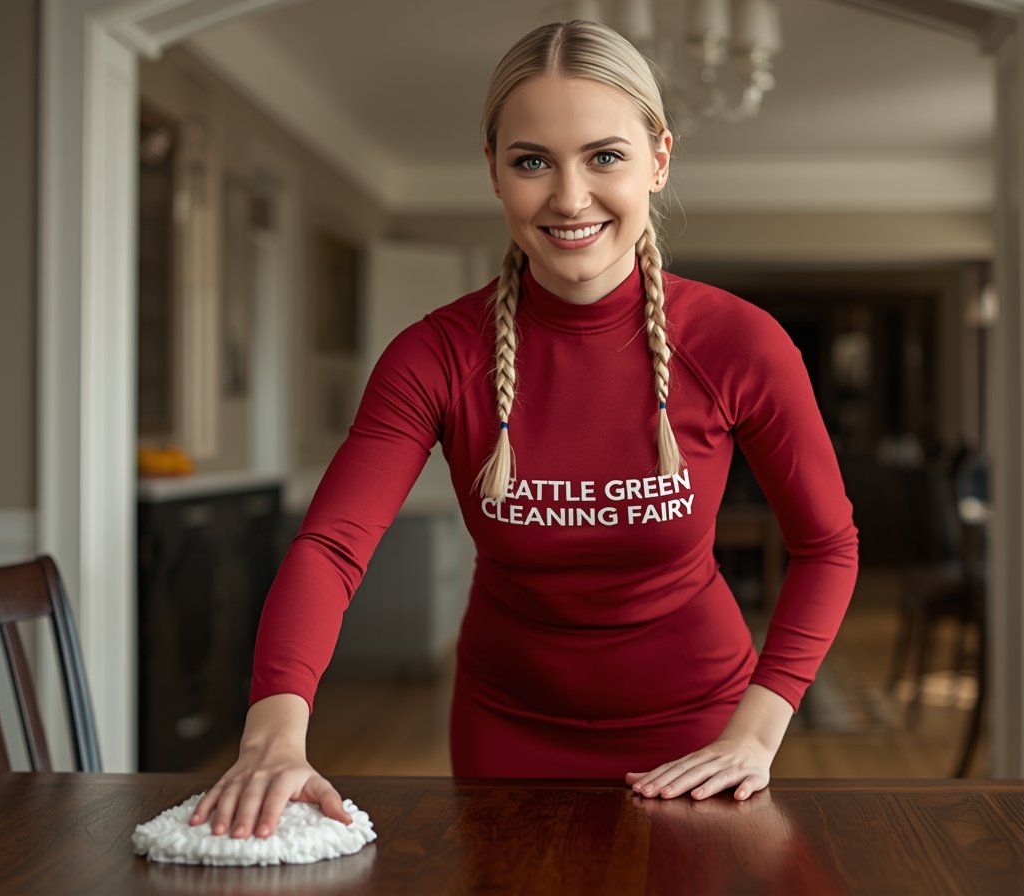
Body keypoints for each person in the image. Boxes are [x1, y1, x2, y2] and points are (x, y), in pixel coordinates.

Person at [192, 19, 859, 840]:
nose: (569, 197)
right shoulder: (434, 356)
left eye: (604, 156)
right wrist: (272, 736)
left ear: (659, 160)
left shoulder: (740, 343)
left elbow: (828, 544)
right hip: (507, 730)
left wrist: (757, 731)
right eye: (532, 160)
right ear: (494, 171)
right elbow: (332, 547)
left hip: (703, 731)